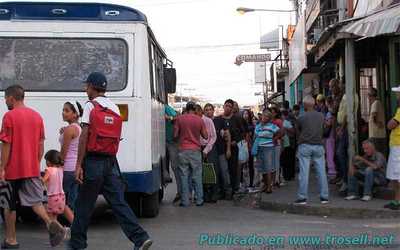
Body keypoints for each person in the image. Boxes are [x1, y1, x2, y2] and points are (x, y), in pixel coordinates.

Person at [68, 72, 152, 250]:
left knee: (83, 205)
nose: (85, 89)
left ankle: (77, 245)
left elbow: (84, 136)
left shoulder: (91, 106)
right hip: (111, 162)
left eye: (87, 86)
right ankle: (140, 238)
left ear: (91, 87)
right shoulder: (114, 108)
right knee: (118, 203)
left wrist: (78, 165)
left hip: (93, 162)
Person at [0, 85, 66, 249]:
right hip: (31, 168)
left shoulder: (9, 116)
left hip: (12, 170)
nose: (5, 101)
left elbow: (6, 145)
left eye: (5, 98)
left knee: (9, 204)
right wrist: (35, 164)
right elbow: (40, 145)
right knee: (36, 202)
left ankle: (11, 240)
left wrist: (2, 167)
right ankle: (50, 223)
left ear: (11, 98)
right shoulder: (37, 117)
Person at [295, 95, 329, 205]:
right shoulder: (321, 116)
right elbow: (324, 129)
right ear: (314, 104)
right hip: (318, 145)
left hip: (305, 145)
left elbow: (298, 130)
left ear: (304, 105)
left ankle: (302, 197)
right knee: (321, 172)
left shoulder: (301, 117)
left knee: (304, 173)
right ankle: (324, 197)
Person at [174, 102, 208, 207]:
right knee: (197, 175)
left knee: (184, 176)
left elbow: (175, 135)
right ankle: (199, 200)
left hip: (183, 150)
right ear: (195, 109)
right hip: (195, 151)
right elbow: (205, 136)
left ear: (186, 108)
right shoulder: (200, 120)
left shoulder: (179, 119)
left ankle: (185, 201)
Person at [214, 99, 245, 193]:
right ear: (223, 106)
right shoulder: (217, 119)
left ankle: (234, 188)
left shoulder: (237, 119)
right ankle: (223, 189)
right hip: (221, 148)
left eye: (230, 106)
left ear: (232, 108)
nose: (227, 107)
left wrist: (236, 141)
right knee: (222, 170)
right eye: (226, 105)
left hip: (234, 148)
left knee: (233, 169)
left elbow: (243, 132)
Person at [206, 103, 232, 200]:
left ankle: (228, 191)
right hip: (209, 151)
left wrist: (228, 149)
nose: (208, 111)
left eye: (210, 109)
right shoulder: (203, 121)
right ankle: (216, 192)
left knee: (224, 171)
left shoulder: (219, 120)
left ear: (213, 110)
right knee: (214, 173)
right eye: (206, 109)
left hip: (221, 150)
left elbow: (228, 134)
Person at [60, 101, 83, 212]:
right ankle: (74, 225)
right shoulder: (78, 128)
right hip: (75, 168)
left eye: (67, 111)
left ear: (75, 114)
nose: (63, 113)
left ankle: (65, 224)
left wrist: (57, 166)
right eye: (63, 110)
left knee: (60, 198)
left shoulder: (70, 129)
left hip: (67, 168)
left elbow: (64, 152)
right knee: (72, 199)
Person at [42, 150, 74, 224]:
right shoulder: (60, 170)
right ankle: (58, 233)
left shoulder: (49, 170)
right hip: (61, 197)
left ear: (49, 161)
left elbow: (43, 181)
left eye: (46, 160)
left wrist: (40, 179)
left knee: (51, 218)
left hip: (52, 197)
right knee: (55, 217)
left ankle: (61, 231)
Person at [252, 110, 280, 193]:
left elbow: (281, 132)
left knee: (268, 167)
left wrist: (274, 139)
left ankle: (269, 187)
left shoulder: (272, 126)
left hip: (268, 148)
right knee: (262, 167)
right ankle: (265, 185)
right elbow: (255, 135)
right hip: (259, 148)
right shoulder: (258, 126)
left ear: (269, 118)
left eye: (266, 116)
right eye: (263, 116)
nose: (264, 117)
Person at [195, 105, 218, 203]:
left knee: (211, 171)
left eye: (196, 112)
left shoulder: (208, 121)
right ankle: (204, 194)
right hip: (198, 148)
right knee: (201, 172)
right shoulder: (194, 121)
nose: (195, 115)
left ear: (201, 111)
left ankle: (213, 194)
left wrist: (206, 150)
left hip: (209, 148)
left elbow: (213, 137)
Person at [384, 86, 400, 210]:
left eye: (398, 93)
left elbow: (391, 125)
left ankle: (397, 200)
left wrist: (390, 122)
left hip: (398, 146)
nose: (397, 96)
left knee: (397, 175)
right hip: (396, 145)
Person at [165, 104, 180, 203]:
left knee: (175, 167)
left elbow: (177, 117)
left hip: (171, 142)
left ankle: (181, 192)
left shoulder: (164, 107)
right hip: (162, 141)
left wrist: (168, 117)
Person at [368, 88, 387, 156]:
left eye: (369, 95)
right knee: (381, 154)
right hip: (379, 134)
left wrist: (376, 123)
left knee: (377, 155)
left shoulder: (375, 103)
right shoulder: (378, 103)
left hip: (375, 134)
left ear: (371, 96)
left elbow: (374, 115)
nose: (368, 98)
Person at [280, 109, 296, 181]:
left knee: (288, 160)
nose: (282, 117)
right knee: (285, 160)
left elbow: (293, 131)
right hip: (283, 143)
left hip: (287, 143)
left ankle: (289, 175)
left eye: (282, 115)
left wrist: (286, 129)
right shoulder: (281, 122)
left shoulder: (286, 122)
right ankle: (286, 175)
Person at [271, 107, 283, 187]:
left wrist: (275, 138)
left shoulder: (278, 121)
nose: (271, 114)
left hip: (276, 142)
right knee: (273, 162)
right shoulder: (270, 121)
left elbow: (282, 133)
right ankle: (274, 179)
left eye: (272, 112)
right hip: (271, 143)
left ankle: (276, 180)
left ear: (275, 113)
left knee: (276, 162)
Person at [242, 109, 255, 188]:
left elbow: (252, 136)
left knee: (250, 165)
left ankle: (251, 183)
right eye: (244, 114)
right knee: (242, 165)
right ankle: (243, 182)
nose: (245, 115)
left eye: (247, 114)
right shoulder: (240, 125)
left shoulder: (251, 126)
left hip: (250, 147)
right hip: (243, 147)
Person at [324, 97, 336, 177]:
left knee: (330, 152)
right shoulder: (332, 112)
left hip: (330, 135)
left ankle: (332, 170)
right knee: (331, 152)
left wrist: (323, 120)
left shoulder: (330, 112)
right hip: (332, 134)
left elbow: (329, 123)